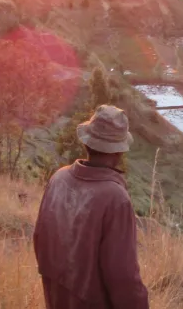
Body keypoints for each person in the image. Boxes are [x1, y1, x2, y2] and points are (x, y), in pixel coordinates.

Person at [34, 105, 149, 309]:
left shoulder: (58, 178)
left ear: (86, 143)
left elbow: (39, 239)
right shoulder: (115, 198)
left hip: (55, 297)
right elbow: (123, 278)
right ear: (119, 152)